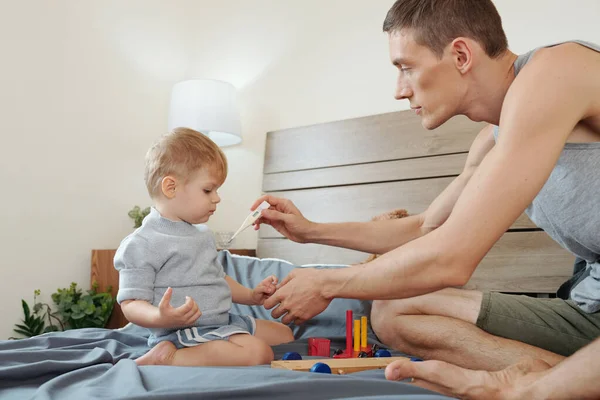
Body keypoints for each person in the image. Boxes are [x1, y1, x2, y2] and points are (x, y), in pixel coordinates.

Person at [252, 0, 600, 378]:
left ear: (461, 55)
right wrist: (311, 231)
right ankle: (569, 378)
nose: (399, 90)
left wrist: (327, 284)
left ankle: (561, 383)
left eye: (406, 68)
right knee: (392, 311)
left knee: (394, 302)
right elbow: (425, 229)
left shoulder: (557, 71)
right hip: (589, 308)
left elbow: (452, 258)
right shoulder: (493, 139)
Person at [114, 127, 294, 367]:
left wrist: (251, 296)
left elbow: (217, 279)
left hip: (221, 322)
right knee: (259, 353)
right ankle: (169, 357)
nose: (217, 198)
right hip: (183, 331)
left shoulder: (203, 235)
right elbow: (131, 303)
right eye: (208, 190)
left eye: (217, 190)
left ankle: (216, 347)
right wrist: (160, 316)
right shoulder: (142, 243)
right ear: (171, 188)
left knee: (285, 335)